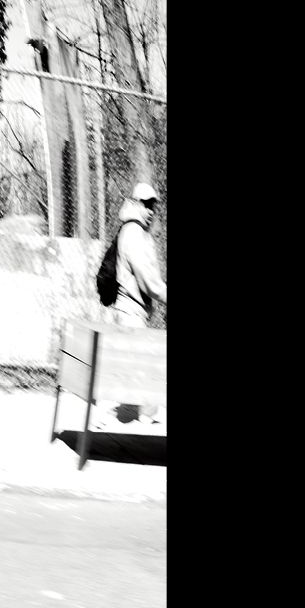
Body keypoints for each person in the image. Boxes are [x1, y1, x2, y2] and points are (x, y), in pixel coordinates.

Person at [109, 179, 165, 425]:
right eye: (146, 203)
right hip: (131, 309)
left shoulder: (134, 231)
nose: (151, 209)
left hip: (132, 310)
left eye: (153, 204)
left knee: (134, 366)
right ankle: (145, 415)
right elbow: (148, 281)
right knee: (146, 363)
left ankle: (136, 413)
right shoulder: (133, 233)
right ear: (136, 203)